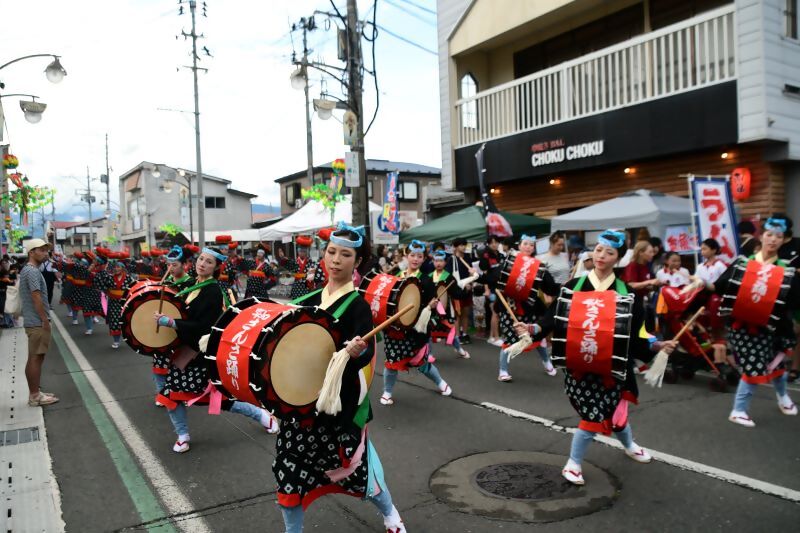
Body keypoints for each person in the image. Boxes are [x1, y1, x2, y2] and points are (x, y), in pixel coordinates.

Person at [275, 223, 407, 533]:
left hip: (335, 408)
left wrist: (357, 350)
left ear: (357, 262)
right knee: (289, 477)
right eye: (331, 252)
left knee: (356, 474)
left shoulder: (358, 306)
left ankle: (390, 513)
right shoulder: (309, 298)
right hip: (301, 404)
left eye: (345, 254)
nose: (335, 260)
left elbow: (365, 353)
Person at [526, 230, 677, 485]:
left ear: (617, 258)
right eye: (598, 250)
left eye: (609, 252)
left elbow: (638, 333)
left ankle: (622, 447)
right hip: (580, 363)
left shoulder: (627, 294)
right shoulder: (574, 287)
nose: (601, 256)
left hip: (611, 366)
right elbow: (552, 317)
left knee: (612, 416)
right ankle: (574, 462)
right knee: (596, 414)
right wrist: (534, 329)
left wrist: (656, 346)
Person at [153, 247, 278, 453]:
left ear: (216, 267)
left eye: (209, 262)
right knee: (171, 395)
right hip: (186, 351)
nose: (202, 264)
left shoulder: (212, 290)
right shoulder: (195, 284)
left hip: (199, 354)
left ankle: (262, 415)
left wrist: (172, 323)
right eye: (201, 259)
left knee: (218, 399)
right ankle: (182, 436)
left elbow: (204, 327)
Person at [712, 216, 799, 427]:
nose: (773, 240)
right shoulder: (743, 263)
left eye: (778, 237)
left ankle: (782, 396)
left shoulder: (785, 269)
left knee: (776, 363)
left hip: (773, 326)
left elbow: (794, 299)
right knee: (754, 365)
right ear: (762, 237)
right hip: (744, 326)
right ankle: (739, 410)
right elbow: (720, 285)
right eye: (769, 235)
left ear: (783, 240)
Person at [381, 240, 453, 405]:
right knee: (392, 363)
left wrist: (430, 306)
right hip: (396, 329)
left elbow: (433, 304)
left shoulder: (426, 281)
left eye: (419, 256)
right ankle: (387, 392)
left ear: (423, 259)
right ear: (407, 256)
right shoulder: (398, 277)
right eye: (412, 255)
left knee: (422, 364)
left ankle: (441, 383)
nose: (415, 259)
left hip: (415, 330)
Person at [495, 235, 561, 382]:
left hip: (530, 309)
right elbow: (495, 278)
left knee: (536, 338)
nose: (528, 247)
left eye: (531, 245)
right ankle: (503, 370)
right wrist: (481, 277)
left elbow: (550, 286)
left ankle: (547, 363)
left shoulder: (538, 266)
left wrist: (563, 288)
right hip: (510, 308)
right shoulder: (510, 262)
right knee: (509, 340)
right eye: (525, 244)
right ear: (519, 246)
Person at [20, 239, 59, 407]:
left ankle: (35, 392)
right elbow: (36, 296)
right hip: (36, 322)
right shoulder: (33, 271)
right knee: (36, 357)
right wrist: (45, 320)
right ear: (31, 252)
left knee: (34, 357)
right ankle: (35, 396)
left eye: (46, 250)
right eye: (41, 250)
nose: (45, 253)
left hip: (32, 320)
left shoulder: (29, 270)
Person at [428, 250, 470, 359]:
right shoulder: (429, 276)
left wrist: (465, 290)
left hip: (445, 309)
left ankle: (459, 349)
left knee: (449, 330)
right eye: (436, 261)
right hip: (431, 309)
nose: (438, 263)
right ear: (433, 262)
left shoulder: (449, 277)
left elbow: (456, 293)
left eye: (441, 261)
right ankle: (429, 354)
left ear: (445, 262)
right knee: (427, 331)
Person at [93, 252, 137, 349]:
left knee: (126, 321)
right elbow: (102, 286)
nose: (116, 269)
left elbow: (133, 288)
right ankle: (116, 341)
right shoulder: (109, 278)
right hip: (113, 303)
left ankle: (131, 339)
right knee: (114, 322)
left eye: (118, 267)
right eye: (115, 267)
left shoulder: (129, 278)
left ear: (122, 268)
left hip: (125, 303)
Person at [448, 238, 478, 344]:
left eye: (464, 245)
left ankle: (464, 334)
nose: (463, 247)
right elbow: (450, 277)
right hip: (457, 291)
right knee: (457, 314)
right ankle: (457, 336)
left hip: (467, 290)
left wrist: (470, 281)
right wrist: (462, 285)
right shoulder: (451, 259)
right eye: (461, 245)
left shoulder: (468, 258)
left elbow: (472, 273)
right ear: (455, 247)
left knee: (466, 313)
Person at [479, 235, 504, 347]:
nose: (494, 244)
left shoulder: (500, 255)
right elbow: (484, 275)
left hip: (499, 287)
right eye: (492, 242)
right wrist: (487, 290)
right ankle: (495, 336)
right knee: (494, 312)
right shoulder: (486, 255)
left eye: (496, 242)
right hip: (491, 288)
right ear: (488, 244)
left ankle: (492, 336)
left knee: (496, 312)